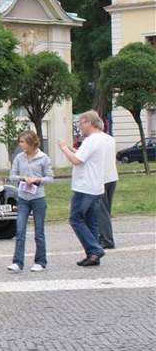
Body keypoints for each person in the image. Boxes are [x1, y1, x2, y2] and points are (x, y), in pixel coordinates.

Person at [58, 110, 106, 266]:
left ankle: (95, 249)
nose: (80, 127)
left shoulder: (91, 140)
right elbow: (86, 157)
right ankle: (93, 256)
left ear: (88, 122)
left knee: (76, 219)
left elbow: (77, 160)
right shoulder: (101, 139)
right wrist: (74, 150)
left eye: (81, 123)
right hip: (95, 186)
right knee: (91, 221)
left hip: (84, 186)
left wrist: (64, 148)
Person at [7, 130, 53, 273]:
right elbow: (12, 176)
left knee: (39, 231)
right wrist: (23, 178)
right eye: (20, 142)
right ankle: (17, 262)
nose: (21, 145)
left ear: (31, 142)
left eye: (23, 142)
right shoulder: (19, 157)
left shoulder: (43, 158)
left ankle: (40, 261)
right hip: (23, 198)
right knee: (20, 230)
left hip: (38, 198)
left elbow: (50, 178)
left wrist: (36, 179)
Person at [97, 128, 118, 249]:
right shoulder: (110, 139)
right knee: (106, 209)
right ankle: (104, 235)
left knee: (101, 210)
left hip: (101, 178)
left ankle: (106, 239)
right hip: (112, 176)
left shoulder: (94, 140)